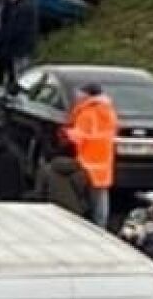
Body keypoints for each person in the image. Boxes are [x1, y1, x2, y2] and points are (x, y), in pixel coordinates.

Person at [65, 81, 119, 228]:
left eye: (80, 92)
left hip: (87, 161)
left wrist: (67, 133)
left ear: (87, 94)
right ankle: (101, 227)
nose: (77, 95)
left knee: (83, 196)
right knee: (101, 196)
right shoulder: (108, 111)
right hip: (103, 161)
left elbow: (79, 137)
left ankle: (86, 226)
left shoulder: (87, 113)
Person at [0, 0, 40, 94]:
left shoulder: (24, 5)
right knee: (13, 75)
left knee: (19, 78)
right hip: (15, 48)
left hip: (19, 49)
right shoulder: (16, 2)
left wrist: (2, 42)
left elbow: (15, 28)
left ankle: (16, 97)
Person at [37, 151, 92, 219]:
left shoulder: (45, 170)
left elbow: (40, 193)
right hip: (76, 210)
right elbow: (82, 190)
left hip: (55, 209)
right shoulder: (78, 169)